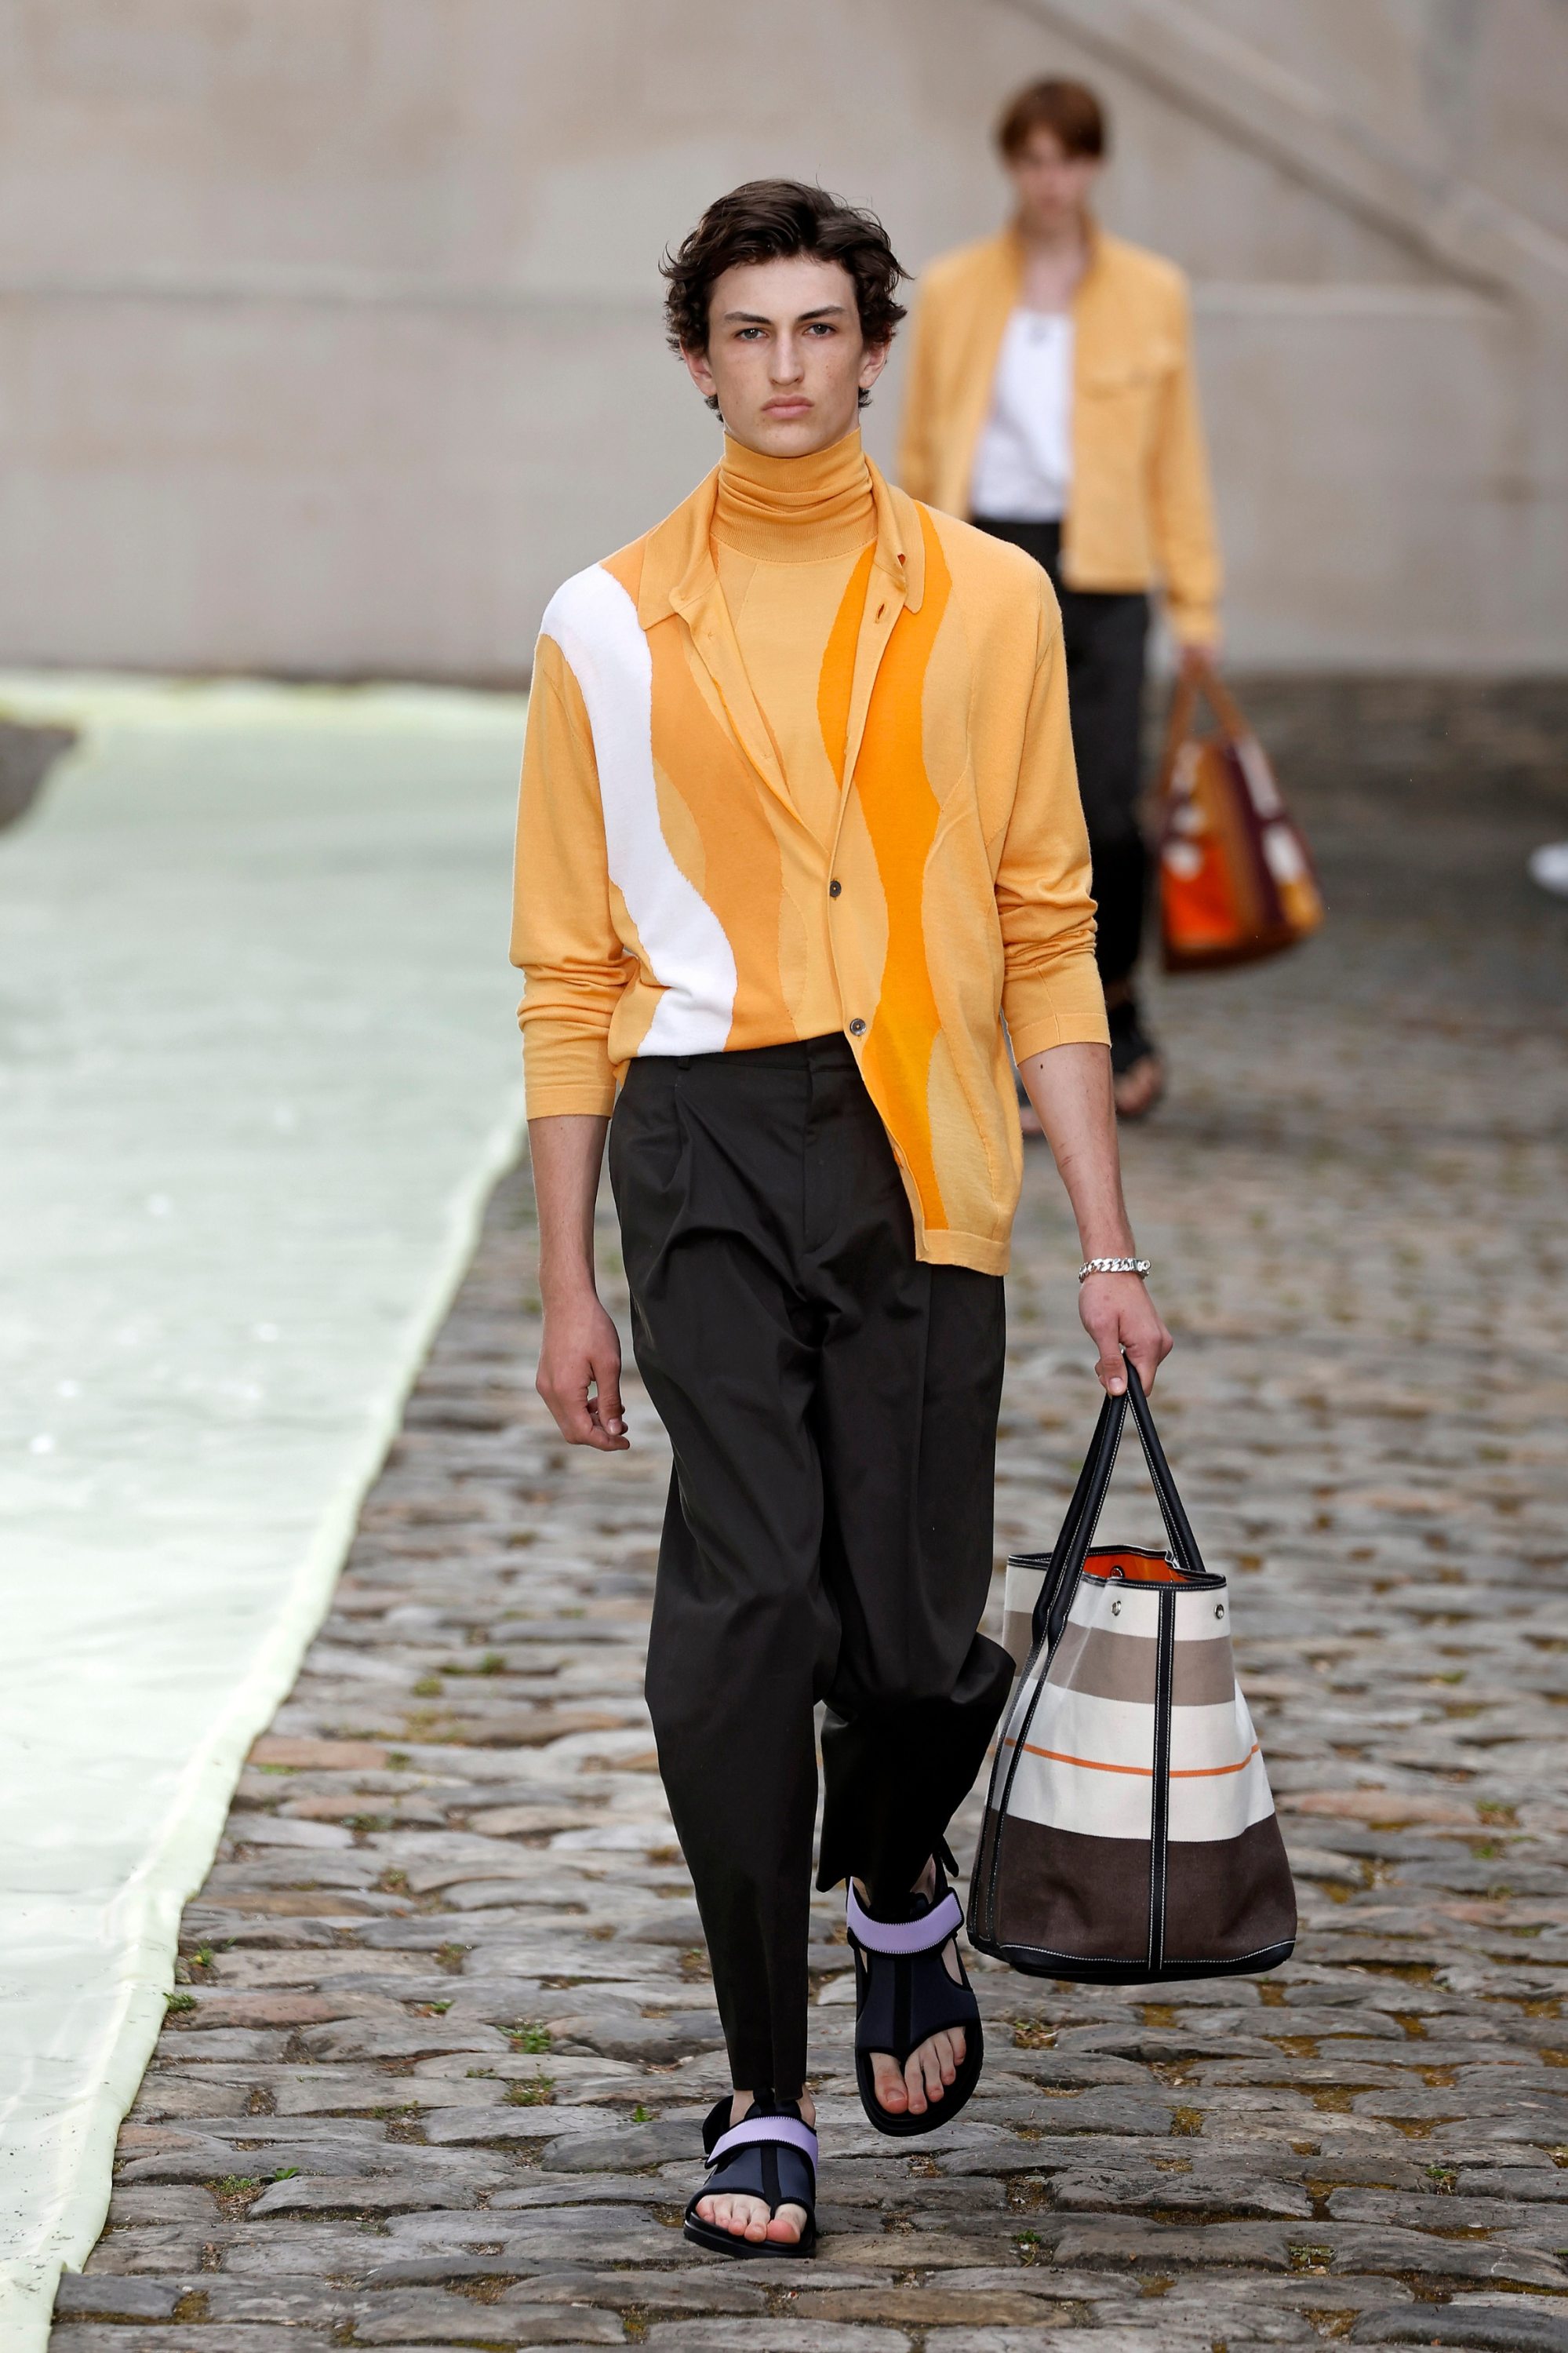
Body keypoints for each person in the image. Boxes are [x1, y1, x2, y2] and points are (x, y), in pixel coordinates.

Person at [511, 178, 1171, 2259]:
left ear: (874, 349)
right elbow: (569, 969)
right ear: (698, 362)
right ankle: (760, 2090)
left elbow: (1048, 927)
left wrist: (1112, 1242)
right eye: (750, 331)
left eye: (821, 328)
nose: (788, 365)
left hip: (924, 1146)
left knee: (903, 1624)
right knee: (738, 1619)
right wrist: (564, 1278)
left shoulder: (989, 605)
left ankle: (897, 1880)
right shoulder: (603, 627)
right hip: (701, 1142)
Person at [899, 77, 1223, 1120]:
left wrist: (1199, 603)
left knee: (1104, 813)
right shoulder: (955, 288)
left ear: (1093, 167)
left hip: (1104, 570)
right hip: (983, 556)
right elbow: (921, 445)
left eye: (1069, 160)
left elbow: (1175, 456)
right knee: (980, 806)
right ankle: (999, 1030)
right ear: (1012, 166)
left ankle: (1116, 1009)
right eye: (1034, 160)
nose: (1052, 181)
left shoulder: (1149, 291)